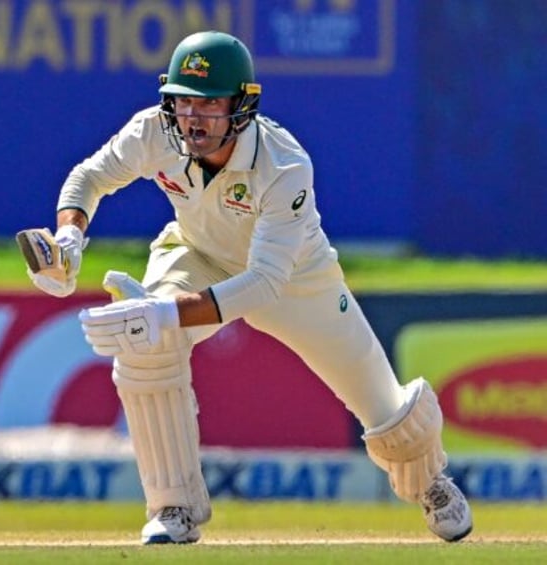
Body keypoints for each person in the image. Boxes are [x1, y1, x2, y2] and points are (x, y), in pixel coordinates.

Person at [25, 30, 473, 545]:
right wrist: (69, 239)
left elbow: (263, 284)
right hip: (196, 254)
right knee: (145, 346)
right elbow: (89, 177)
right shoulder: (154, 132)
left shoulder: (284, 165)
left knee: (385, 410)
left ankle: (431, 483)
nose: (194, 118)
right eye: (184, 102)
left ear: (242, 106)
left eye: (211, 103)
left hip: (297, 280)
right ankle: (174, 508)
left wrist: (166, 315)